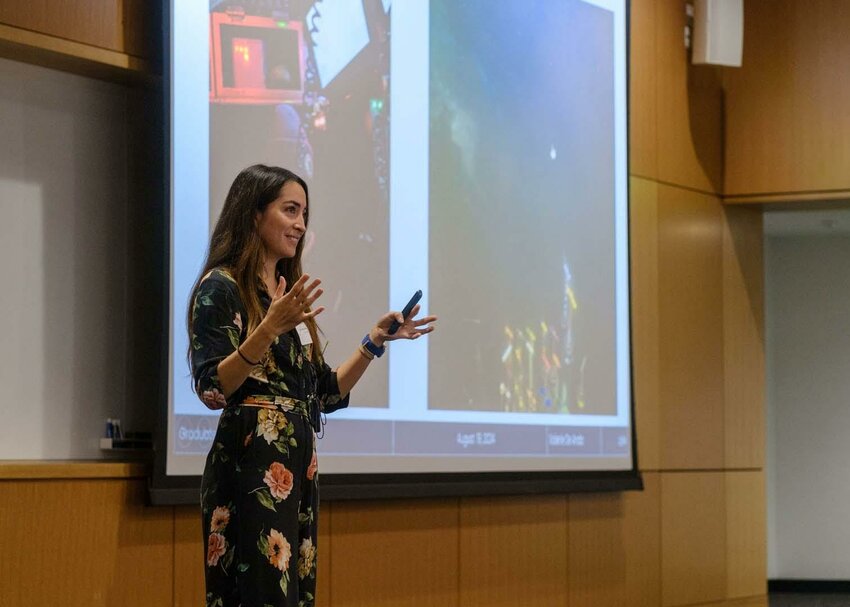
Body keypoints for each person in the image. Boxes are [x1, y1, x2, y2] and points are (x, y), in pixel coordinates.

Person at [188, 164, 436, 606]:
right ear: (253, 214)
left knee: (294, 595)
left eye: (304, 213)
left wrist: (373, 343)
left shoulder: (288, 295)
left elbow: (324, 391)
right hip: (250, 464)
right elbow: (213, 387)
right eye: (290, 210)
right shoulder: (220, 287)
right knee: (257, 595)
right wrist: (267, 327)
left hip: (297, 466)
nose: (301, 224)